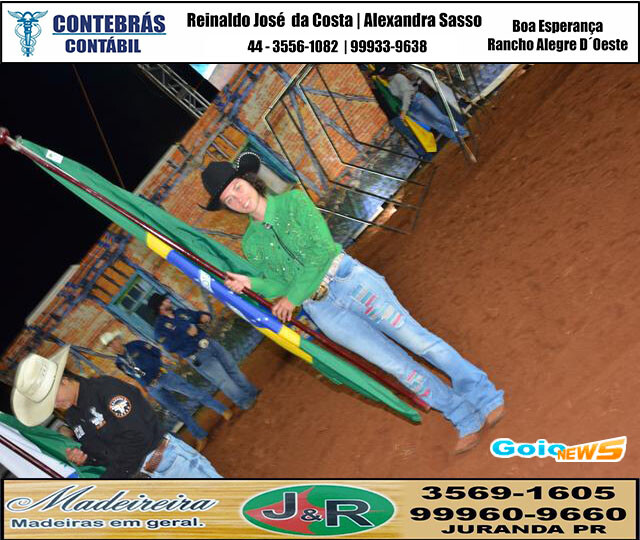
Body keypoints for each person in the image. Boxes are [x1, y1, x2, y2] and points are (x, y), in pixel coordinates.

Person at [199, 154, 505, 453]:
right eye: (229, 199)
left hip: (350, 282)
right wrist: (252, 283)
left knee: (419, 342)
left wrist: (291, 299)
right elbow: (281, 283)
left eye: (237, 188)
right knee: (396, 367)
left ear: (249, 180)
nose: (238, 199)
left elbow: (321, 251)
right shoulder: (251, 243)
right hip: (324, 311)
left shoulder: (293, 202)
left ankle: (485, 397)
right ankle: (462, 416)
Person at [10, 347, 222, 478]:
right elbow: (103, 453)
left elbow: (137, 435)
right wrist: (86, 459)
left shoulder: (106, 389)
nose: (54, 404)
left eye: (52, 397)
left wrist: (111, 479)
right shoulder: (73, 417)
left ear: (64, 380)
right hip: (147, 475)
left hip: (168, 463)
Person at [100, 331, 232, 452]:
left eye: (113, 341)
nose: (113, 346)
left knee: (194, 393)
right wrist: (146, 388)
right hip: (152, 388)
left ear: (118, 339)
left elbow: (156, 352)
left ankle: (223, 410)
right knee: (178, 411)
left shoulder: (136, 345)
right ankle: (200, 436)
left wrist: (159, 366)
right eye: (109, 345)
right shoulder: (119, 363)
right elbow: (133, 376)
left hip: (164, 376)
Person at [147, 294, 259, 411]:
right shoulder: (159, 329)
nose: (169, 300)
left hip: (210, 344)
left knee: (232, 368)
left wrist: (204, 316)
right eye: (165, 300)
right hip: (198, 356)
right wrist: (187, 334)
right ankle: (244, 401)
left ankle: (251, 392)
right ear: (160, 307)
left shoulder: (179, 312)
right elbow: (170, 347)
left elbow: (196, 315)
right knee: (224, 380)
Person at [371, 64, 474, 157]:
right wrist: (405, 109)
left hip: (417, 100)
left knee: (439, 118)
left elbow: (407, 93)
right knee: (436, 124)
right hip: (412, 107)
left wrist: (404, 110)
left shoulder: (398, 77)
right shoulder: (390, 84)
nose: (380, 76)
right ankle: (457, 139)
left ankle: (462, 132)